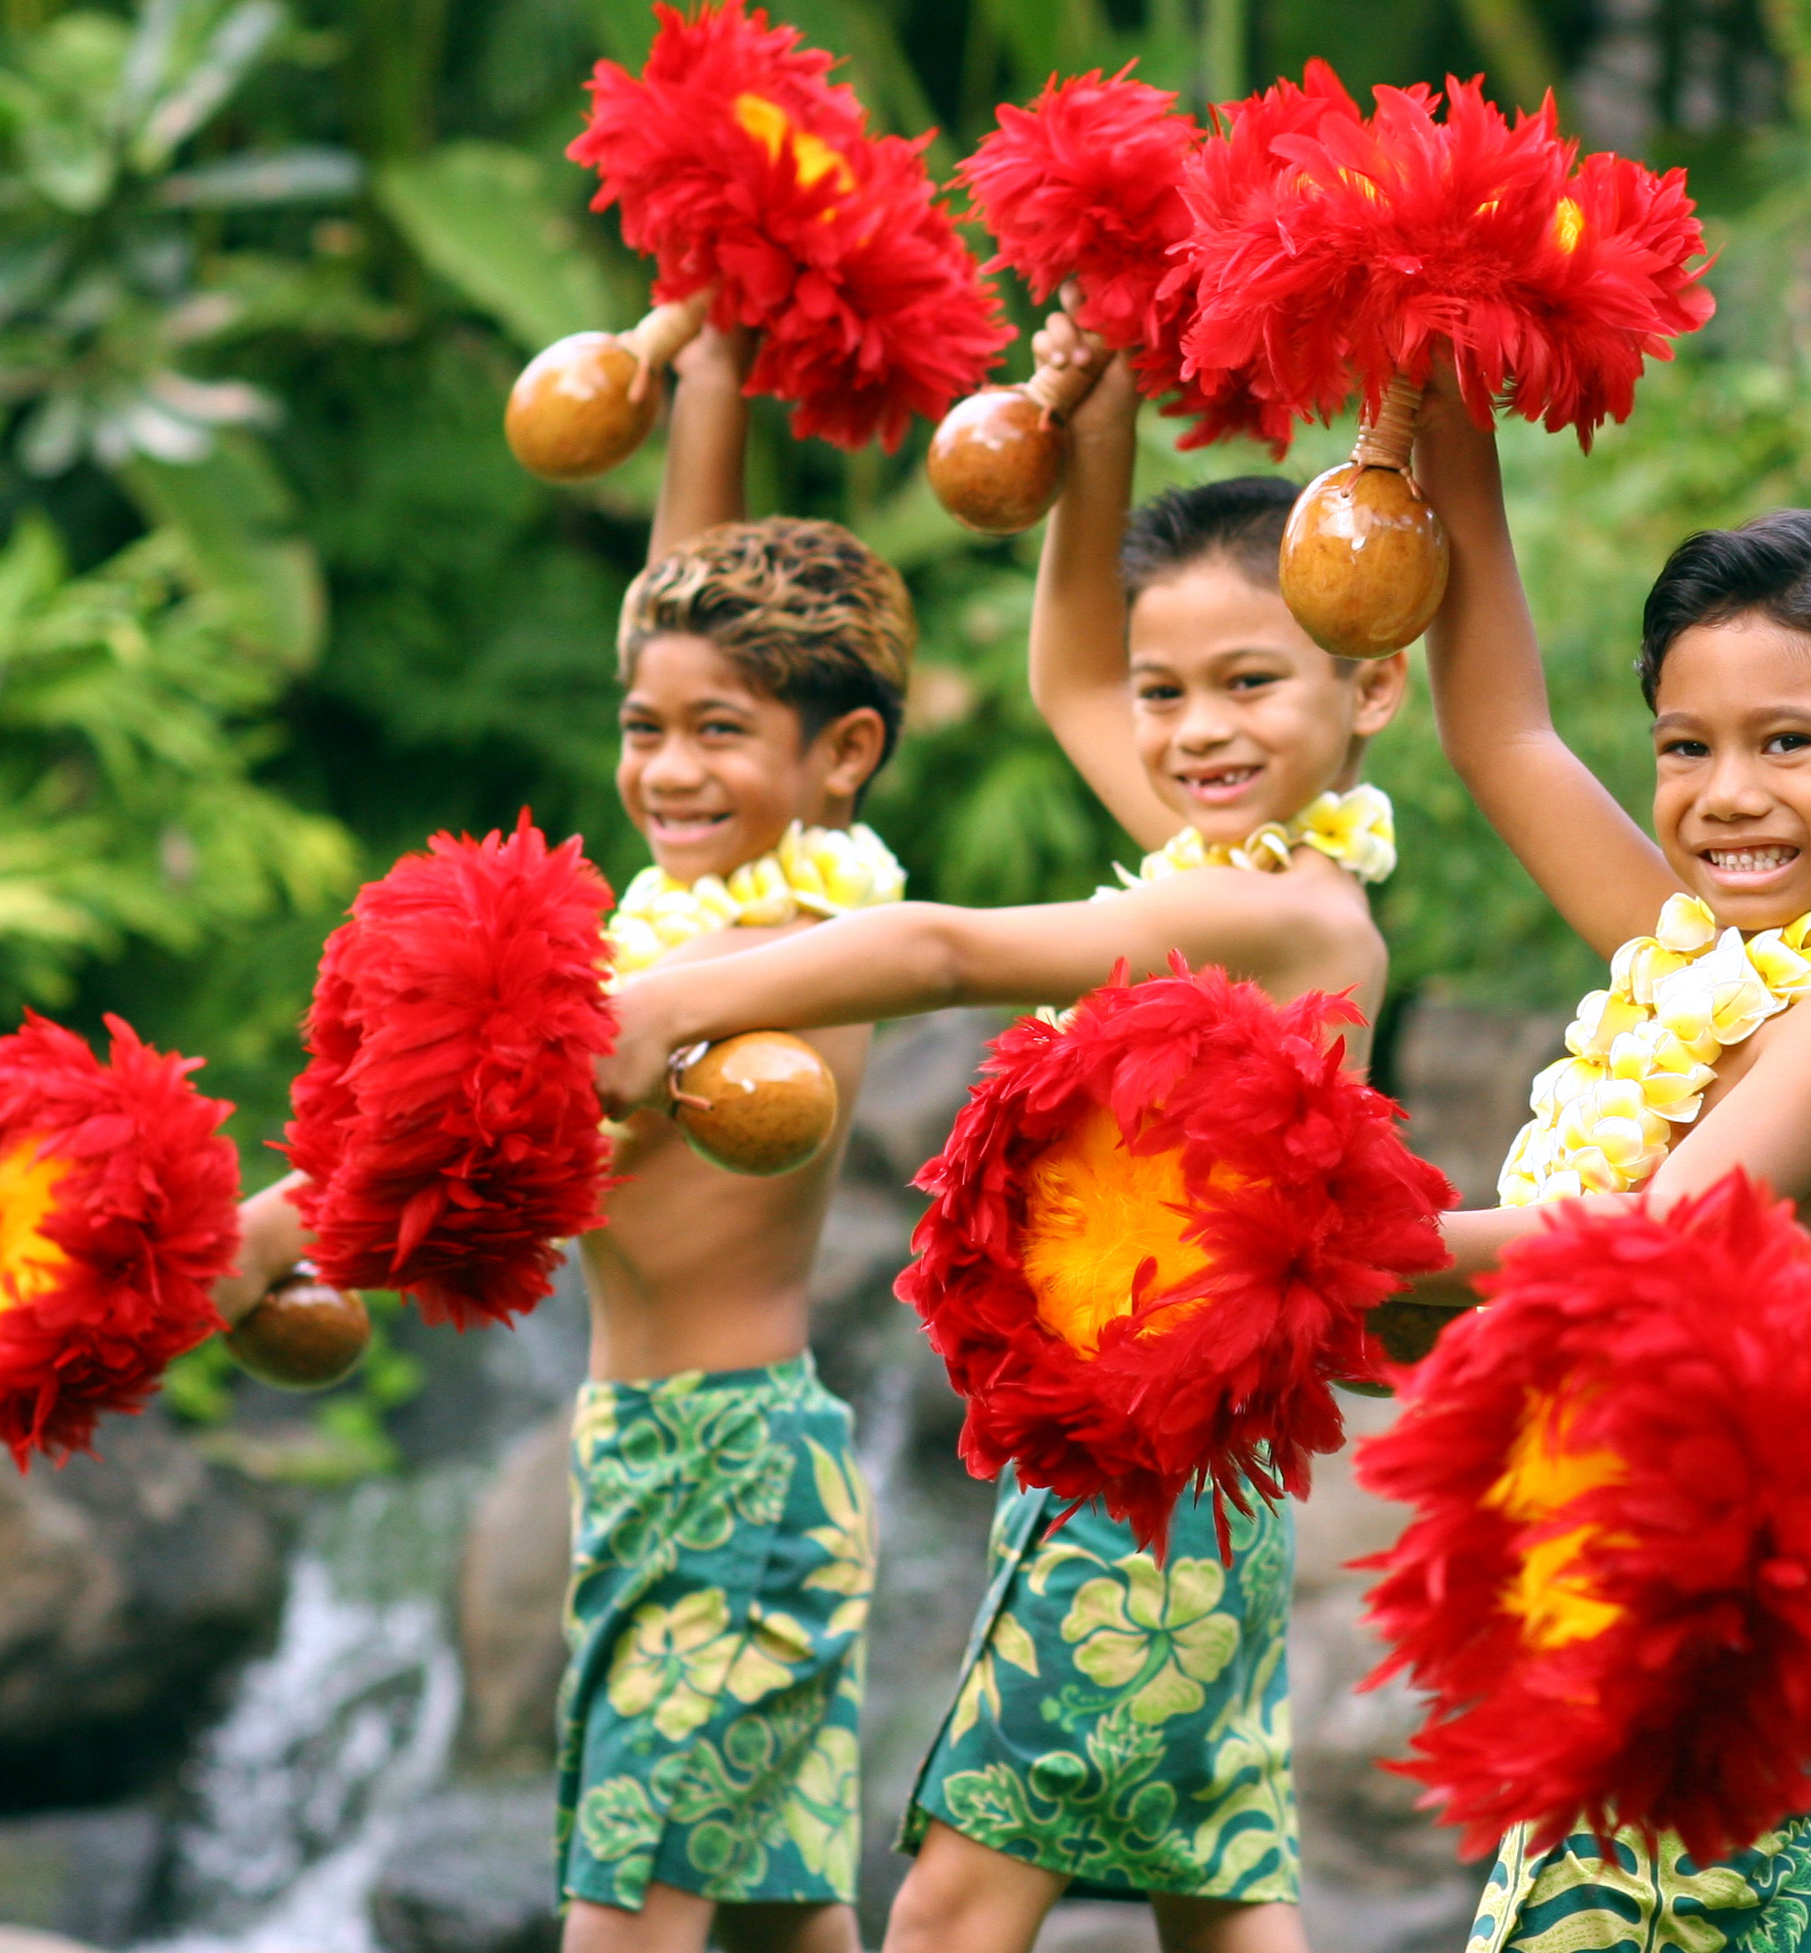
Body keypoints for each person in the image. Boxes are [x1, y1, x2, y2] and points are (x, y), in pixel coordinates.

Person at [597, 324, 1409, 1953]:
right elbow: (1067, 678)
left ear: (1372, 682)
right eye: (1170, 693)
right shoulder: (1223, 861)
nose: (1192, 733)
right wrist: (1093, 431)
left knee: (956, 1903)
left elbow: (946, 951)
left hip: (1157, 1482)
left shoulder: (1290, 915)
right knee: (1218, 1894)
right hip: (1158, 1474)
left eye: (1250, 684)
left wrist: (670, 1002)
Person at [220, 327, 911, 1953]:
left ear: (845, 758)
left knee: (634, 1925)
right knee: (774, 1927)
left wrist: (248, 1236)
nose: (667, 769)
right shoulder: (701, 898)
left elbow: (489, 1109)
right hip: (669, 1463)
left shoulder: (777, 950)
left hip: (730, 1474)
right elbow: (690, 593)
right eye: (641, 724)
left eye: (718, 734)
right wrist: (719, 353)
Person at [1393, 385, 1811, 1951]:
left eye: (1788, 744)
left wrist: (1335, 1239)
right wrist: (1439, 405)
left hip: (1720, 1587)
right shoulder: (1683, 965)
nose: (1725, 795)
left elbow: (1642, 1232)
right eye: (1685, 745)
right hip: (1599, 1550)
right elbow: (1501, 731)